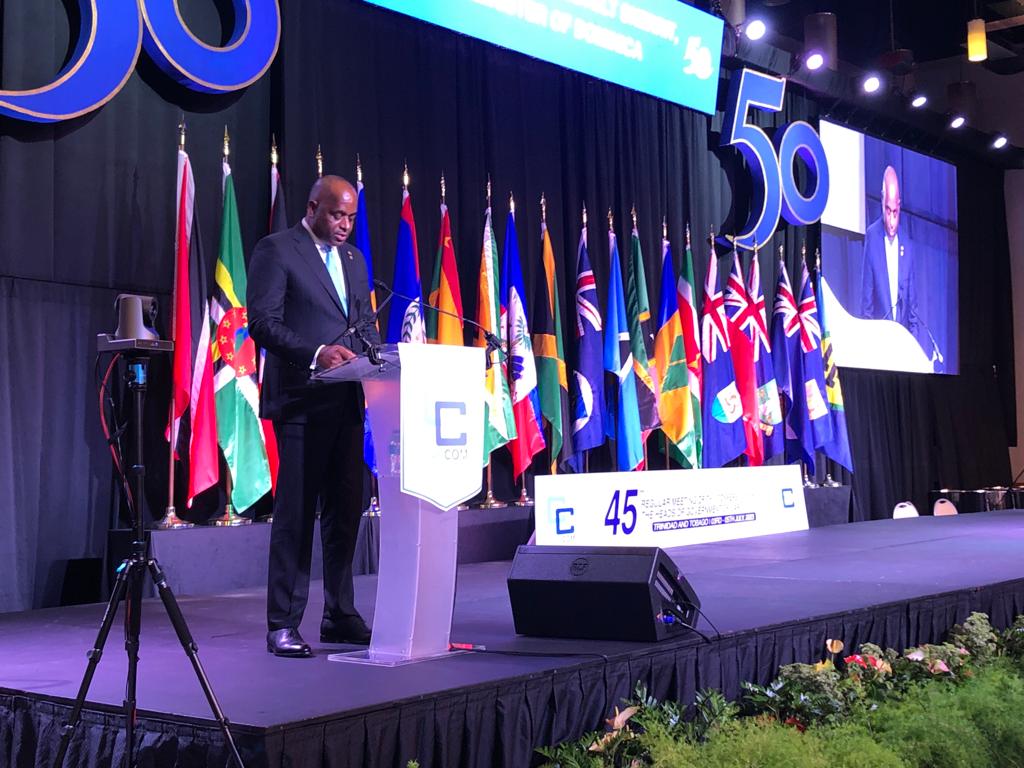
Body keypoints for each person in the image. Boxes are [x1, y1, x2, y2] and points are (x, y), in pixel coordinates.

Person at [248, 175, 380, 657]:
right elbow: (262, 322)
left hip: (346, 402)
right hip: (301, 400)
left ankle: (339, 614)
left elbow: (363, 321)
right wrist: (319, 351)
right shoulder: (277, 249)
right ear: (312, 207)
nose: (344, 225)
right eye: (335, 215)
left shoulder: (354, 259)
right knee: (297, 514)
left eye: (350, 216)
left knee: (346, 510)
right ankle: (282, 622)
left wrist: (375, 355)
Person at [860, 166, 921, 339]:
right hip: (879, 341)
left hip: (902, 343)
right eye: (888, 211)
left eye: (895, 212)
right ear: (881, 200)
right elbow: (867, 304)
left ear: (899, 206)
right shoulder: (872, 237)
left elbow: (913, 311)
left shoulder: (907, 244)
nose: (892, 221)